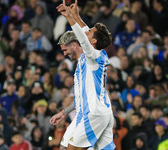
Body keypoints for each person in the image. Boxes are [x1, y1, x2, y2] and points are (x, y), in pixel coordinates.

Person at [50, 0, 115, 149]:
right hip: (86, 113)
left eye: (89, 33)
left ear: (93, 41)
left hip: (94, 114)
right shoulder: (86, 60)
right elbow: (85, 31)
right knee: (64, 147)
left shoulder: (94, 57)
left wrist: (69, 18)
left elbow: (84, 39)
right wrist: (76, 16)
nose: (86, 31)